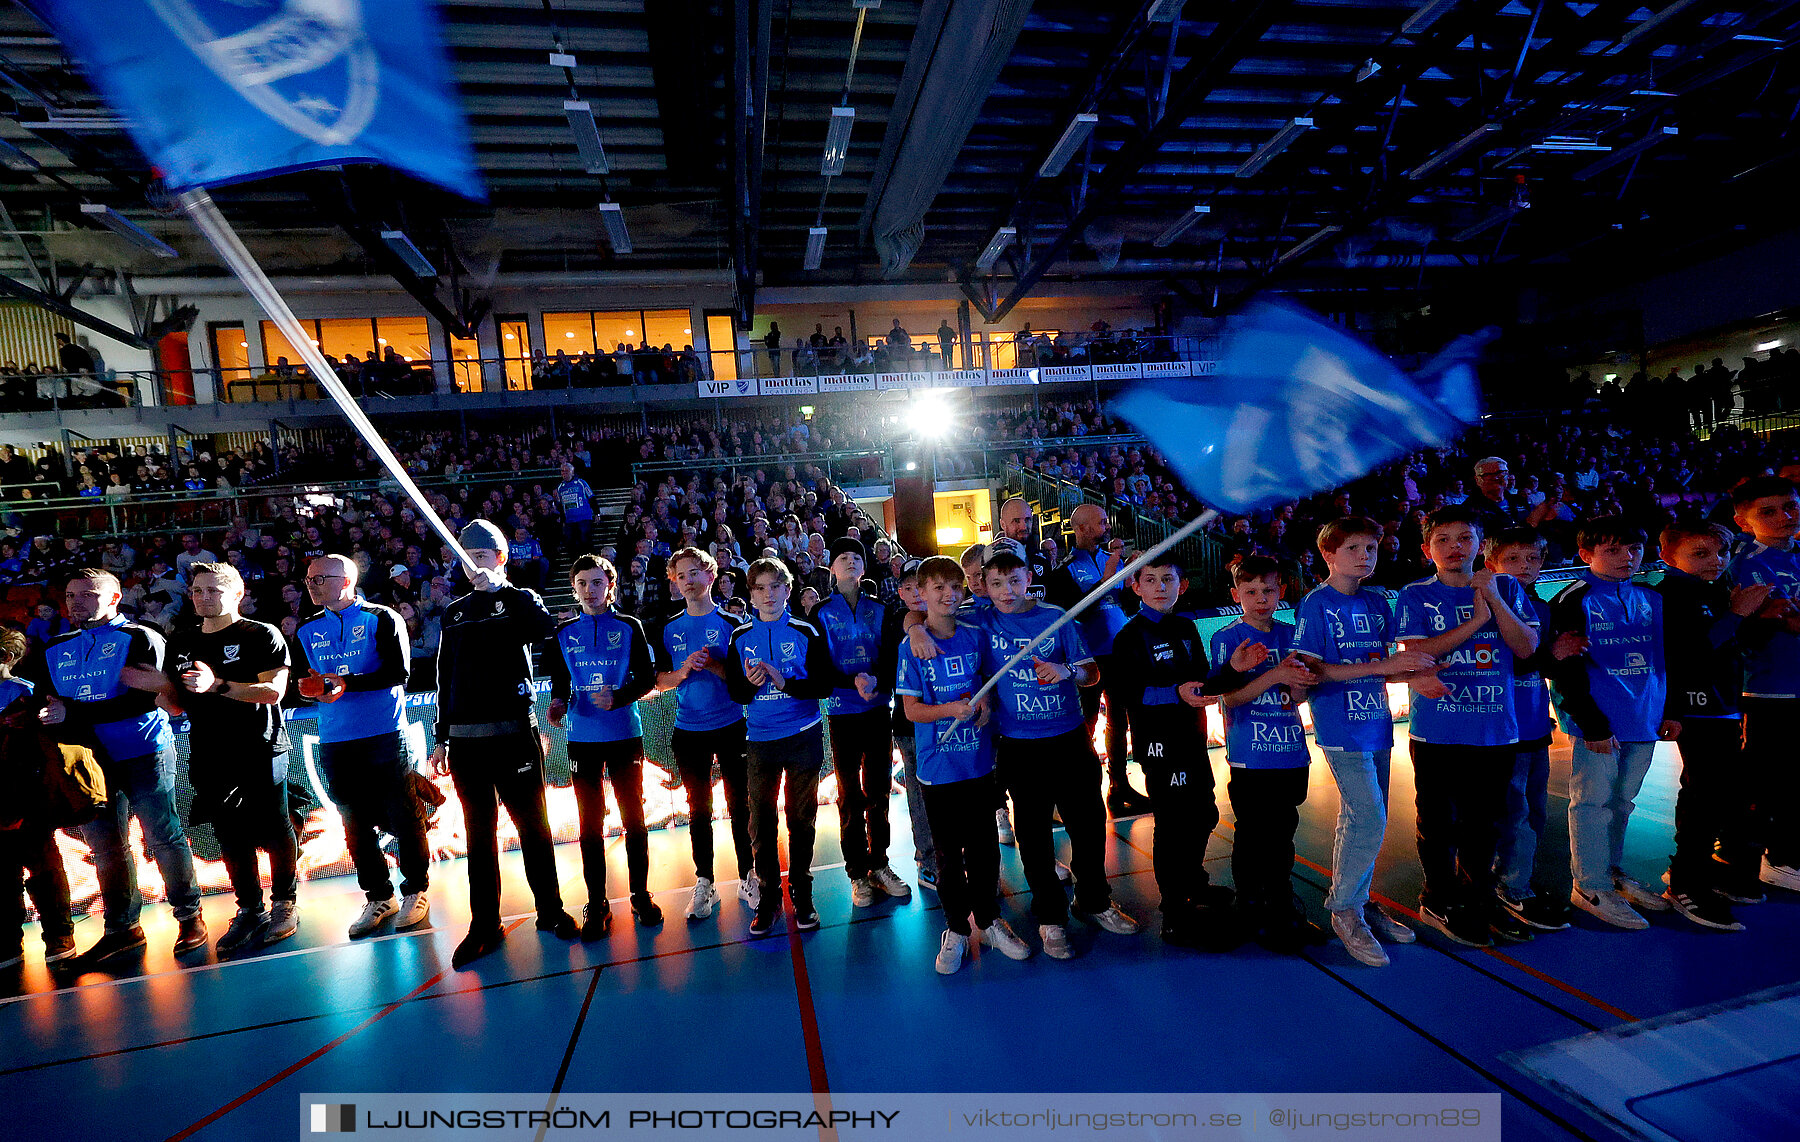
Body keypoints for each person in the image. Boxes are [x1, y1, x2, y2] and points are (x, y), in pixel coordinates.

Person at [958, 545, 1137, 958]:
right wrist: (914, 628)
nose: (1006, 590)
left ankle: (1093, 901)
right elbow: (922, 615)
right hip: (1020, 746)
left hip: (1069, 739)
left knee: (1090, 827)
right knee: (1034, 837)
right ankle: (1050, 919)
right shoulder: (978, 620)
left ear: (1028, 578)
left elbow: (1092, 674)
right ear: (983, 583)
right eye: (997, 582)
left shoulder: (1055, 617)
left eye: (1015, 580)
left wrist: (1065, 671)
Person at [430, 522, 577, 969]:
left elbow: (544, 633)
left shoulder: (521, 600)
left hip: (514, 734)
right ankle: (484, 925)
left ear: (501, 557)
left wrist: (503, 592)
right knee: (479, 835)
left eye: (483, 554)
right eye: (466, 555)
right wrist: (441, 738)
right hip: (466, 745)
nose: (474, 562)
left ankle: (550, 910)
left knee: (534, 826)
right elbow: (444, 678)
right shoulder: (453, 613)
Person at [40, 568, 205, 962]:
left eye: (87, 594)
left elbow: (145, 698)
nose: (76, 602)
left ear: (114, 598)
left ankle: (189, 916)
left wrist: (72, 713)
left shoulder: (140, 637)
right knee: (106, 847)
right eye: (71, 595)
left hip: (142, 750)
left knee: (162, 836)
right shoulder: (54, 646)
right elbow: (51, 704)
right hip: (88, 762)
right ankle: (122, 928)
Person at [1291, 519, 1433, 966]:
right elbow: (1313, 673)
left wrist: (1417, 673)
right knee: (1367, 814)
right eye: (1353, 547)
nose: (1365, 555)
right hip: (1339, 725)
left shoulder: (1377, 600)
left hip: (1376, 723)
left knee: (1367, 816)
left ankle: (1358, 897)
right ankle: (1345, 909)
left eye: (1371, 547)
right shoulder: (1316, 604)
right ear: (1329, 555)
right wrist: (1384, 667)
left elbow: (1387, 664)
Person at [1396, 506, 1540, 948]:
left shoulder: (1508, 587)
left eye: (1465, 538)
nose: (1455, 547)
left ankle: (1479, 896)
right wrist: (1477, 621)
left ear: (1481, 546)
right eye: (1443, 539)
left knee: (1486, 823)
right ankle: (1439, 895)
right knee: (1438, 821)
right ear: (1427, 549)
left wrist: (1493, 600)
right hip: (1438, 731)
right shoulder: (1416, 595)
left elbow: (1527, 647)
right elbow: (1420, 654)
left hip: (1496, 728)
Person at [896, 556, 1031, 973]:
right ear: (922, 594)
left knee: (985, 849)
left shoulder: (975, 633)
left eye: (956, 587)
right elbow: (912, 711)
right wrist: (950, 709)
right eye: (938, 589)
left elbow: (987, 683)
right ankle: (955, 928)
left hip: (977, 763)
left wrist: (985, 703)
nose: (949, 595)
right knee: (948, 856)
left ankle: (990, 921)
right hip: (938, 770)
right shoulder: (912, 645)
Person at [1111, 555, 1250, 950]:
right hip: (1160, 744)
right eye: (1150, 580)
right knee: (1174, 823)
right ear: (1135, 587)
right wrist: (1173, 693)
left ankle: (1193, 884)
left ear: (1182, 585)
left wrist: (1233, 670)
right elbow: (1124, 693)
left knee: (1203, 811)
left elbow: (1202, 683)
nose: (1159, 587)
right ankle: (1174, 911)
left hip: (1191, 737)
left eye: (1167, 579)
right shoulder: (1131, 636)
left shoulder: (1187, 627)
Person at [1547, 518, 1674, 931]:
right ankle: (1589, 885)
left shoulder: (1651, 598)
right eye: (1613, 550)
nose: (1628, 557)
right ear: (1586, 555)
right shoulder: (1573, 599)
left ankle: (1612, 870)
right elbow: (1565, 670)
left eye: (1634, 548)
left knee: (1623, 801)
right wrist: (1591, 723)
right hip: (1599, 726)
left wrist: (1668, 710)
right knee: (1591, 803)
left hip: (1645, 717)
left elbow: (1666, 658)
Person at [295, 554, 431, 939]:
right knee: (354, 824)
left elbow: (397, 672)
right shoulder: (306, 629)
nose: (312, 584)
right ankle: (378, 896)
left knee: (404, 817)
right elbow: (308, 683)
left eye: (320, 578)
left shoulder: (382, 618)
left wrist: (344, 683)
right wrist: (311, 692)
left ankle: (416, 890)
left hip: (384, 734)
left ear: (346, 580)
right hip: (336, 740)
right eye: (309, 579)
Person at [169, 564, 298, 954]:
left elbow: (273, 692)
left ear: (237, 594)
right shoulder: (181, 640)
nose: (202, 597)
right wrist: (161, 696)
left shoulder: (261, 634)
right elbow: (177, 700)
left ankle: (284, 902)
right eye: (196, 590)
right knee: (229, 833)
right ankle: (249, 908)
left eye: (212, 590)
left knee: (274, 827)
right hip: (209, 750)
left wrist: (217, 685)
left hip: (260, 746)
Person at [1654, 520, 1767, 930]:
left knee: (1724, 794)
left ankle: (1707, 870)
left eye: (1720, 553)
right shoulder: (1674, 594)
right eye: (1700, 554)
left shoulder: (1715, 590)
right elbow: (1692, 653)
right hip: (1696, 709)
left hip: (1723, 706)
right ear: (1669, 558)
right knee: (1703, 795)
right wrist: (1737, 613)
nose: (1714, 561)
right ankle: (1686, 883)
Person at [723, 558, 845, 936]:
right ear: (751, 594)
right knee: (760, 822)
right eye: (759, 588)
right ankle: (770, 898)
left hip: (803, 736)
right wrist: (750, 684)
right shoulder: (739, 636)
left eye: (775, 586)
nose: (768, 594)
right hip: (759, 740)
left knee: (801, 818)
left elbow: (825, 686)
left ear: (787, 590)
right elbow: (735, 692)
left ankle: (802, 894)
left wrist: (784, 681)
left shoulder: (806, 630)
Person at [1211, 556, 1327, 953]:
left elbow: (1298, 696)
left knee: (1283, 833)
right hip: (1251, 754)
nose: (1261, 598)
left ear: (1282, 592)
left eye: (1268, 590)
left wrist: (1299, 685)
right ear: (1236, 595)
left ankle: (1279, 902)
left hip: (1291, 751)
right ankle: (1249, 902)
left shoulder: (1293, 634)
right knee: (1252, 832)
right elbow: (1228, 698)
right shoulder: (1228, 639)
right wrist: (1274, 675)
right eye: (1251, 591)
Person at [653, 548, 754, 920]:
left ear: (711, 576)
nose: (689, 580)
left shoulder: (733, 623)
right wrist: (680, 674)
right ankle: (705, 882)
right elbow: (659, 681)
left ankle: (748, 875)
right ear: (675, 583)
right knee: (698, 809)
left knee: (740, 804)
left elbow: (744, 682)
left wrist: (713, 664)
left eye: (695, 572)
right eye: (682, 576)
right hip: (688, 731)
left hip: (731, 726)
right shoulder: (668, 629)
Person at [1484, 528, 1575, 933]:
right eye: (1514, 560)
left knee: (1533, 809)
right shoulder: (1485, 606)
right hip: (1502, 727)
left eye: (1532, 560)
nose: (1524, 568)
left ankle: (1515, 875)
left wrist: (1555, 657)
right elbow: (1514, 661)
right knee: (1512, 809)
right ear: (1493, 565)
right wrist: (1549, 654)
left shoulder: (1542, 605)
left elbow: (1544, 665)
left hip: (1535, 722)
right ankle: (1512, 885)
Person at [810, 538, 909, 906]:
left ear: (864, 568)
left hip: (876, 709)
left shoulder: (881, 609)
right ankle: (857, 872)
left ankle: (880, 863)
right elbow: (817, 665)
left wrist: (877, 683)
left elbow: (891, 659)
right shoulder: (819, 613)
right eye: (843, 558)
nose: (850, 562)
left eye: (857, 557)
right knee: (850, 795)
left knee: (880, 789)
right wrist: (850, 680)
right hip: (842, 712)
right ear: (832, 568)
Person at [1044, 503, 1150, 817]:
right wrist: (1105, 580)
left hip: (1119, 652)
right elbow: (1077, 612)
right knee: (1085, 724)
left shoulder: (1111, 560)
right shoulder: (1064, 570)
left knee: (1120, 721)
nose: (1106, 526)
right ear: (1083, 528)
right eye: (1101, 522)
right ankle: (1076, 790)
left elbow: (1128, 605)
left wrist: (1134, 577)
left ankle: (1119, 786)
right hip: (1086, 657)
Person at [1726, 475, 1800, 897]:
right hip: (1766, 688)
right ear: (1743, 521)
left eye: (1790, 506)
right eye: (1768, 511)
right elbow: (1786, 619)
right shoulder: (1747, 565)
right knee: (1764, 778)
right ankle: (1756, 857)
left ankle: (1786, 851)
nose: (1785, 516)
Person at [0, 627, 76, 969]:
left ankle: (59, 934)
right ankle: (6, 943)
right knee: (1, 875)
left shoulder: (28, 696)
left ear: (6, 658)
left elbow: (46, 747)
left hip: (27, 797)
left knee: (44, 867)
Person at [556, 463, 596, 550]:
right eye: (562, 471)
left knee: (585, 540)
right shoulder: (560, 487)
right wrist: (563, 520)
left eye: (567, 471)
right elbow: (560, 505)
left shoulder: (581, 483)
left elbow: (591, 497)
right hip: (569, 520)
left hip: (583, 518)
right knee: (571, 543)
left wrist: (597, 513)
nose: (564, 473)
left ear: (572, 472)